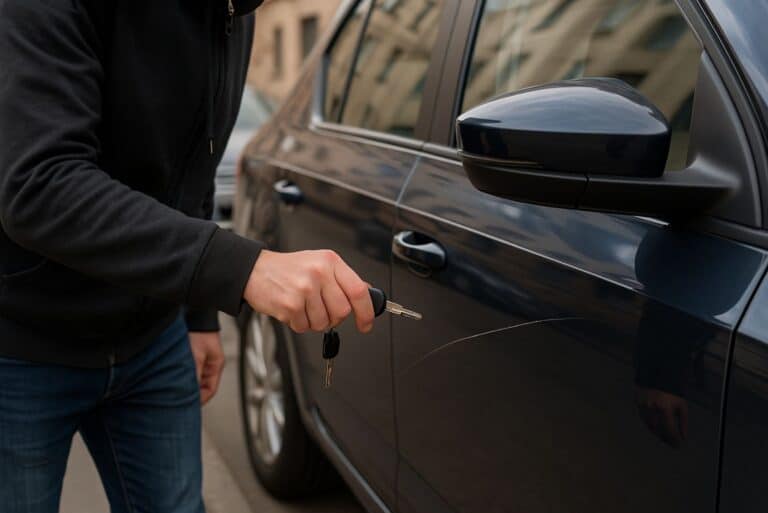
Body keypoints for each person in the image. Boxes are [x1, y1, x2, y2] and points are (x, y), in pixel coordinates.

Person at [0, 2, 374, 512]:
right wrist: (244, 268)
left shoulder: (236, 13)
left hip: (152, 341)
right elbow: (39, 186)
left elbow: (195, 165)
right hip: (22, 346)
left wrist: (199, 314)